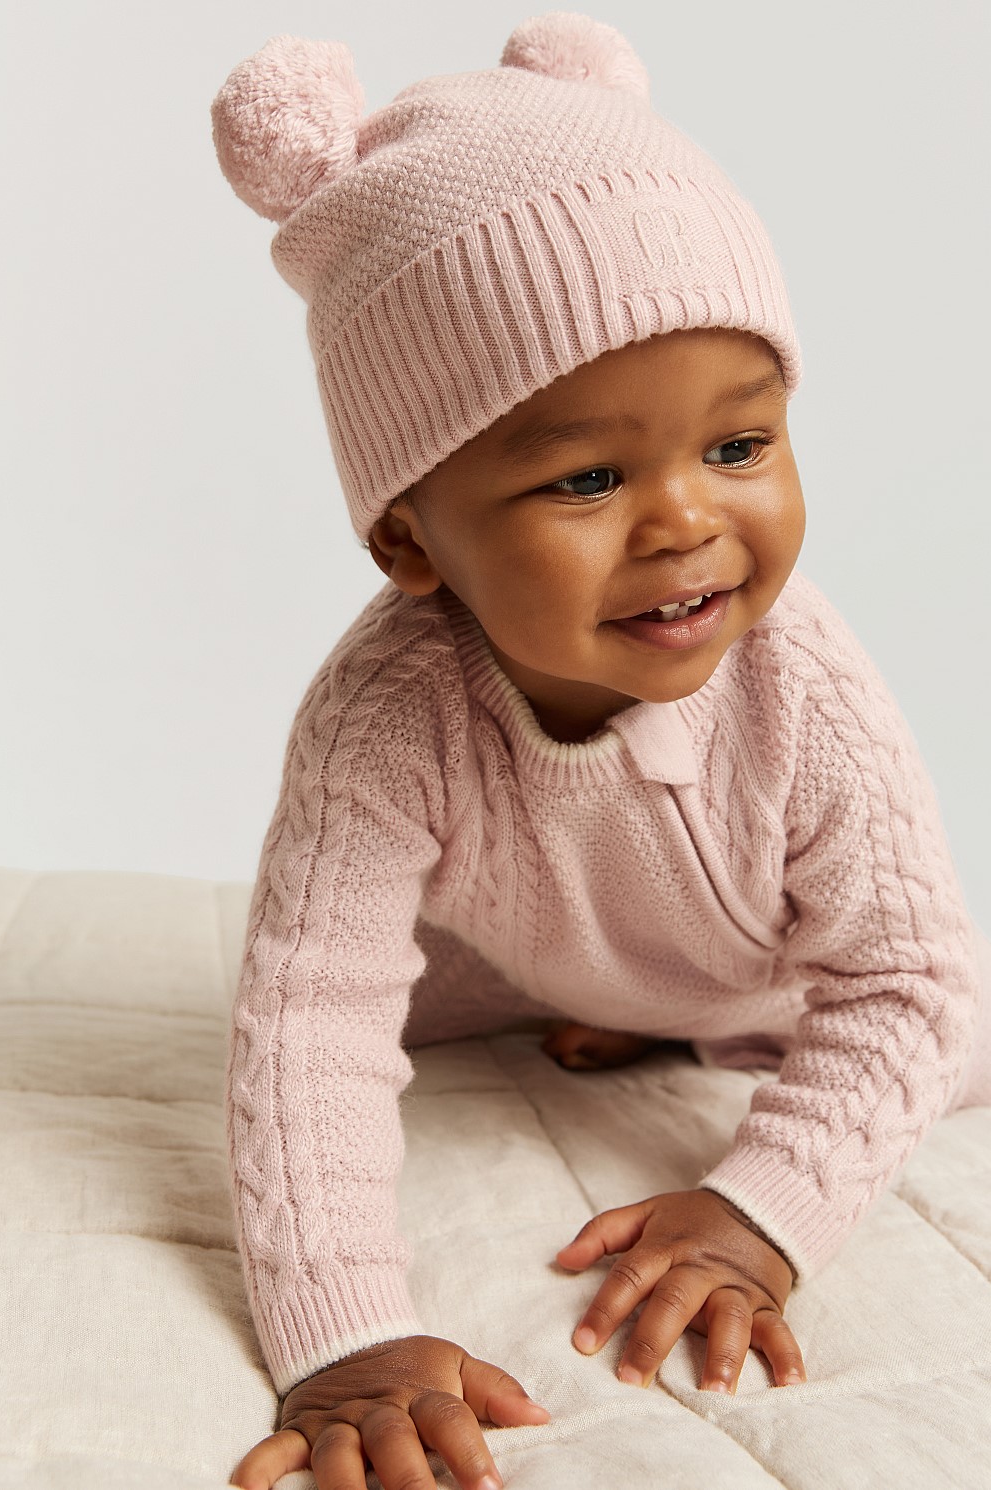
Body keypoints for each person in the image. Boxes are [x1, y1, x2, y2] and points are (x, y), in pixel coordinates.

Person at [210, 14, 990, 1490]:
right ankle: (632, 1005)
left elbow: (909, 983)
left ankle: (670, 1016)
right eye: (586, 476)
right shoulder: (385, 715)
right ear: (408, 538)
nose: (687, 519)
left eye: (740, 446)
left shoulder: (801, 684)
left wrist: (758, 1213)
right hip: (546, 958)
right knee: (348, 1000)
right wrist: (347, 1334)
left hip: (779, 975)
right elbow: (309, 1028)